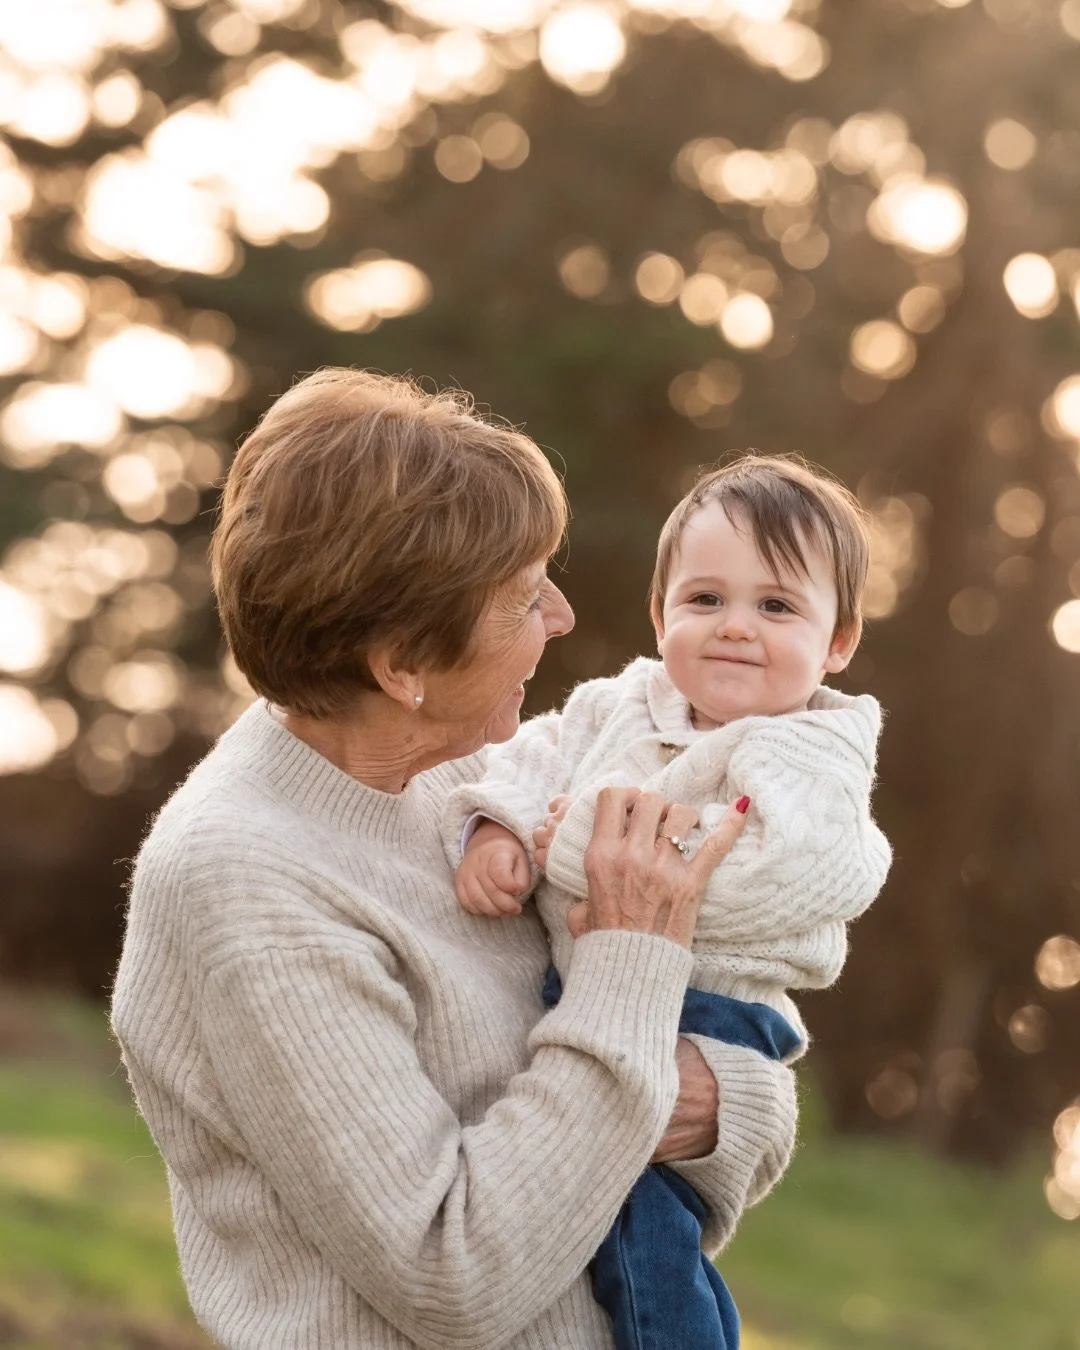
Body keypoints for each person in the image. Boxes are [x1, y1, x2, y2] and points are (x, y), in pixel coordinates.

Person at [110, 370, 800, 1350]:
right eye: (523, 597)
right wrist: (631, 975)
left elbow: (737, 1074)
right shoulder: (247, 887)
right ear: (403, 667)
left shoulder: (484, 774)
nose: (560, 617)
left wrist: (722, 1097)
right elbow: (454, 1278)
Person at [445, 454, 892, 1349]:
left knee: (637, 1237)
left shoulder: (807, 751)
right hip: (597, 994)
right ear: (660, 616)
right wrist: (495, 826)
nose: (735, 628)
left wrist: (570, 849)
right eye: (705, 600)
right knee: (546, 1210)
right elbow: (534, 758)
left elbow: (777, 876)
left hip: (710, 1016)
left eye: (776, 607)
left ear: (837, 641)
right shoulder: (621, 703)